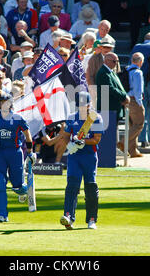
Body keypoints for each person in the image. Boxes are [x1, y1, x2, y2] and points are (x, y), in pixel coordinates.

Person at [0, 92, 37, 222]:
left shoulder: (18, 118)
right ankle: (2, 215)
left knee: (18, 186)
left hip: (15, 153)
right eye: (1, 102)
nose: (3, 104)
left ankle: (24, 190)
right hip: (0, 153)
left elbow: (27, 134)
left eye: (6, 102)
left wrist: (30, 152)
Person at [59, 91, 103, 230]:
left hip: (89, 157)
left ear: (90, 104)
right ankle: (68, 217)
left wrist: (83, 142)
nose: (84, 108)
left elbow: (96, 139)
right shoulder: (72, 117)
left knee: (90, 187)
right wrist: (69, 145)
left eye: (86, 105)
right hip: (75, 157)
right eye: (81, 106)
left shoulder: (95, 118)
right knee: (72, 185)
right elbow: (66, 135)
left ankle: (91, 219)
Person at [120, 52, 145, 157]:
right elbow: (137, 90)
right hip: (134, 100)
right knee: (139, 124)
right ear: (141, 62)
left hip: (126, 100)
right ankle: (122, 142)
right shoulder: (138, 72)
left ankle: (133, 151)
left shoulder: (127, 69)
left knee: (132, 125)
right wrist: (140, 103)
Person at [95, 52, 130, 123]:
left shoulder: (110, 71)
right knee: (109, 132)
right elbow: (110, 89)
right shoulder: (103, 72)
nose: (116, 63)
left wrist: (124, 95)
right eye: (114, 61)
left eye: (117, 61)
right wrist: (124, 96)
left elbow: (117, 86)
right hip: (107, 109)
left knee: (114, 131)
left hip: (113, 109)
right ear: (106, 61)